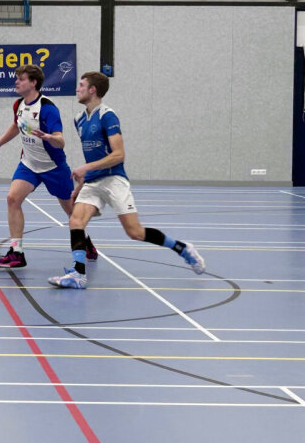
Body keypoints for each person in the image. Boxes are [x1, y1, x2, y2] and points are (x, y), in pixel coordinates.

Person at [49, 71, 205, 289]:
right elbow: (93, 156)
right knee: (76, 221)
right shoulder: (79, 119)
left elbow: (118, 155)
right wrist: (81, 184)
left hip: (114, 179)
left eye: (82, 85)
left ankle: (182, 248)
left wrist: (86, 168)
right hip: (93, 182)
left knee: (135, 232)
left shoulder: (108, 116)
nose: (77, 89)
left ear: (93, 90)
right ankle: (78, 274)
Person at [0, 64, 98, 269]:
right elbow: (16, 125)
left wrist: (49, 137)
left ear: (33, 83)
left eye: (21, 79)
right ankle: (17, 253)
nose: (16, 82)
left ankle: (86, 241)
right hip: (28, 164)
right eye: (17, 78)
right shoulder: (18, 104)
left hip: (53, 167)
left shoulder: (47, 108)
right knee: (12, 199)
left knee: (72, 213)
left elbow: (60, 141)